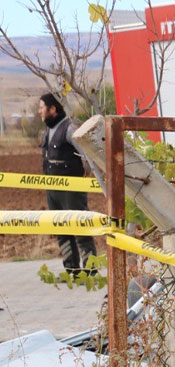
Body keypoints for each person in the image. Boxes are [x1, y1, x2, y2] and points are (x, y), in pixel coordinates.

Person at [37, 93, 97, 276]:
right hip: (52, 189)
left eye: (41, 107)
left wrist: (85, 175)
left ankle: (90, 269)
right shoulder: (48, 129)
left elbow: (86, 153)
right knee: (60, 228)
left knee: (80, 226)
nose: (39, 111)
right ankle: (71, 269)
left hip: (71, 190)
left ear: (52, 109)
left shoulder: (69, 128)